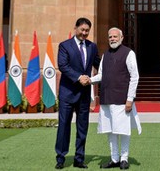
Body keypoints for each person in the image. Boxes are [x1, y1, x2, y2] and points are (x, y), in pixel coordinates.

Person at [91, 27, 141, 170]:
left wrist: (130, 99)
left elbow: (134, 76)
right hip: (107, 98)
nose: (112, 39)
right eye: (110, 37)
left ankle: (124, 158)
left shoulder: (129, 53)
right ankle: (114, 159)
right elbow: (101, 75)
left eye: (115, 36)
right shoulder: (105, 55)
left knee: (123, 130)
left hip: (122, 99)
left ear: (121, 37)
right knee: (110, 130)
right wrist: (89, 80)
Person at [55, 17, 100, 169]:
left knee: (82, 128)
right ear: (76, 28)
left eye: (87, 31)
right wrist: (78, 77)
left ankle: (79, 158)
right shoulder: (64, 46)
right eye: (82, 30)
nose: (84, 33)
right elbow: (63, 65)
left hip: (84, 95)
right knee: (64, 126)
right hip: (67, 94)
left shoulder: (92, 46)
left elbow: (98, 64)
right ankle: (60, 158)